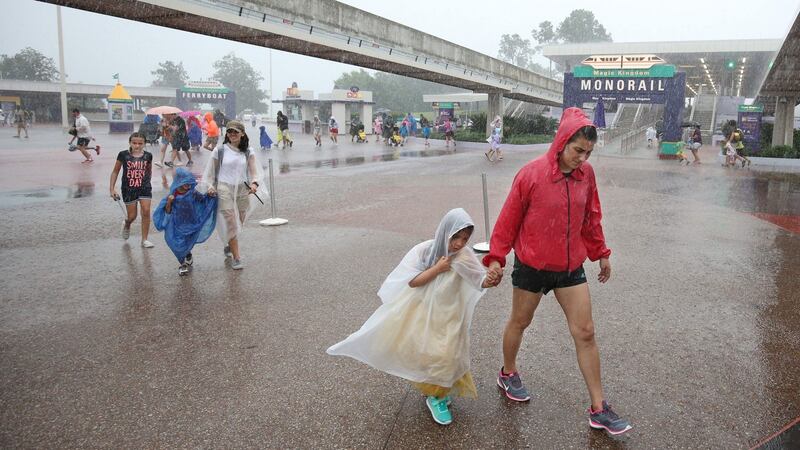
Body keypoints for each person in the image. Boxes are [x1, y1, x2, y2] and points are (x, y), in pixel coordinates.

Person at [483, 107, 632, 436]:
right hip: (532, 266)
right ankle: (508, 372)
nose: (583, 158)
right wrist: (496, 258)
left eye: (588, 152)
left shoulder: (586, 175)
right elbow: (508, 221)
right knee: (520, 322)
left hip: (569, 268)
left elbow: (591, 217)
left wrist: (600, 254)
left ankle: (598, 408)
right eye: (578, 150)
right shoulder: (531, 175)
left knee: (586, 332)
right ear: (562, 142)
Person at [327, 208, 501, 426]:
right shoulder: (425, 251)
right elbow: (412, 280)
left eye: (464, 239)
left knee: (449, 353)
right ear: (445, 231)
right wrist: (437, 268)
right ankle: (435, 396)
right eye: (455, 236)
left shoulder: (464, 255)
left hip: (450, 315)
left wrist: (491, 279)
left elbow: (478, 280)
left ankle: (438, 390)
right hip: (425, 313)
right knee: (432, 353)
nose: (458, 243)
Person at [200, 120, 268, 270]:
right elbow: (210, 172)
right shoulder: (220, 150)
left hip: (243, 188)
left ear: (242, 134)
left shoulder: (248, 151)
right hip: (224, 187)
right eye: (230, 131)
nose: (232, 134)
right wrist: (211, 186)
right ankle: (237, 258)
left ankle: (228, 243)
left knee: (240, 221)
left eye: (235, 131)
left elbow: (254, 171)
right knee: (231, 221)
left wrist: (255, 183)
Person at [153, 168, 218, 276]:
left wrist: (210, 195)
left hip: (190, 223)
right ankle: (183, 264)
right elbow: (167, 210)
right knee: (175, 243)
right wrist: (169, 202)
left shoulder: (192, 192)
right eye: (185, 182)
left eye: (189, 182)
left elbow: (202, 200)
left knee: (186, 242)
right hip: (176, 224)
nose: (188, 184)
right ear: (180, 180)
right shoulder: (173, 195)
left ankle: (187, 255)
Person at [109, 132, 155, 248]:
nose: (137, 146)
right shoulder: (123, 155)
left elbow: (149, 171)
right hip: (128, 188)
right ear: (130, 142)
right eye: (134, 143)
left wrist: (147, 183)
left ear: (144, 144)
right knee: (132, 216)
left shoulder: (148, 156)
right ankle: (127, 223)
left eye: (140, 143)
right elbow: (115, 171)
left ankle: (144, 240)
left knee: (146, 211)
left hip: (144, 188)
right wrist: (112, 189)